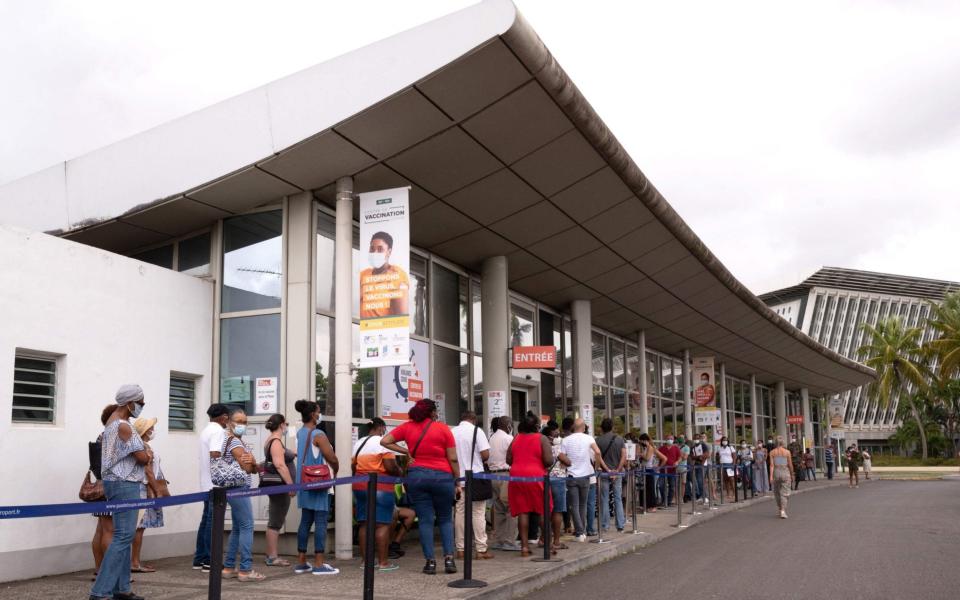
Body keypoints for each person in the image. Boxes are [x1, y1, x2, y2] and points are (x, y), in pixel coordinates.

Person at [381, 399, 460, 575]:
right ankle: (448, 559)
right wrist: (457, 480)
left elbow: (385, 441)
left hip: (417, 477)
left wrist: (406, 451)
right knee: (446, 519)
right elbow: (453, 458)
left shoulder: (407, 427)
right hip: (442, 477)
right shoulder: (443, 429)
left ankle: (430, 562)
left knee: (425, 520)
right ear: (432, 412)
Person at [90, 384, 151, 600]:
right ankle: (100, 591)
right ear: (130, 403)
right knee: (124, 536)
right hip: (125, 483)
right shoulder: (124, 426)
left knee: (122, 536)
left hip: (114, 482)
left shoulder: (110, 422)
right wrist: (147, 453)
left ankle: (122, 588)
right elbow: (143, 457)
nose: (141, 406)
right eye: (140, 403)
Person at [293, 399, 340, 575]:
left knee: (305, 521)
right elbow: (332, 457)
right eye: (318, 412)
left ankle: (302, 562)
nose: (320, 415)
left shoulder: (300, 433)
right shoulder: (318, 434)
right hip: (319, 483)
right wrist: (336, 470)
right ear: (313, 414)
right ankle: (319, 564)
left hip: (304, 482)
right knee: (321, 521)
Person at [220, 408, 266, 582]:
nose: (242, 425)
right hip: (238, 488)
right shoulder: (235, 443)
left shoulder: (233, 441)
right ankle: (245, 569)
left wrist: (253, 463)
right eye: (238, 421)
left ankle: (229, 567)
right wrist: (252, 463)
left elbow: (254, 468)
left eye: (245, 422)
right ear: (229, 422)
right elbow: (249, 468)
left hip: (234, 488)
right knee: (247, 526)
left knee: (238, 528)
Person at [352, 417, 402, 572]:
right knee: (382, 524)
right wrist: (400, 471)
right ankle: (383, 562)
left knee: (365, 523)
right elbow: (390, 466)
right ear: (381, 428)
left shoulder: (359, 443)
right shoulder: (383, 442)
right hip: (380, 486)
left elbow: (353, 466)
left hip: (360, 486)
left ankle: (366, 562)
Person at [507, 413, 554, 556]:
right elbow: (548, 460)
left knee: (523, 511)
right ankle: (547, 544)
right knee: (542, 510)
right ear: (537, 426)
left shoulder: (516, 438)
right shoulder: (542, 438)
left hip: (517, 477)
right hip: (536, 476)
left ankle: (525, 547)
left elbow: (508, 459)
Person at [450, 411, 493, 560]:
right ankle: (481, 549)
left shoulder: (452, 432)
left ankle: (460, 549)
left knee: (460, 513)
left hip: (458, 477)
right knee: (478, 513)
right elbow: (485, 455)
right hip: (475, 477)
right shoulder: (477, 431)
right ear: (473, 420)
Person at [194, 403, 229, 572]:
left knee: (206, 520)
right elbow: (215, 454)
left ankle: (199, 558)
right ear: (223, 417)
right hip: (215, 484)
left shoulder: (206, 430)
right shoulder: (218, 431)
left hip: (206, 481)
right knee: (212, 522)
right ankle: (209, 559)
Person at [562, 419, 606, 541]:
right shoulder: (589, 438)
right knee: (583, 504)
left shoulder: (565, 440)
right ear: (583, 427)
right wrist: (596, 467)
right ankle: (582, 531)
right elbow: (597, 452)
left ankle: (579, 532)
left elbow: (562, 457)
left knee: (574, 505)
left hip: (571, 476)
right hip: (586, 476)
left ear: (573, 427)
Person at [132, 417, 166, 574]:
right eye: (151, 428)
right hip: (143, 490)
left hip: (143, 488)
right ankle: (135, 562)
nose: (153, 430)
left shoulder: (143, 446)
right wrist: (157, 490)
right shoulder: (143, 448)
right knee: (139, 528)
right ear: (145, 431)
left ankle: (135, 561)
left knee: (138, 528)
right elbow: (148, 471)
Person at [261, 413, 296, 568]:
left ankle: (271, 554)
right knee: (275, 521)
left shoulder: (273, 441)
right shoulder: (275, 441)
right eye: (286, 423)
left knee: (275, 519)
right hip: (280, 486)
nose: (287, 426)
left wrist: (291, 453)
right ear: (281, 424)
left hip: (278, 486)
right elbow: (280, 465)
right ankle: (272, 556)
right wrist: (291, 485)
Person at [91, 404, 116, 582]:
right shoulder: (111, 435)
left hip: (100, 485)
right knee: (109, 530)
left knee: (100, 529)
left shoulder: (101, 436)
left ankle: (99, 569)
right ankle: (108, 573)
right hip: (111, 486)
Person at [486, 415, 519, 551]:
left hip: (492, 475)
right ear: (508, 425)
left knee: (498, 508)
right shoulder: (508, 438)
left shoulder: (491, 438)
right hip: (506, 475)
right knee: (512, 508)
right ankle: (509, 540)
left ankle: (499, 539)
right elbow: (515, 456)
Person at [359, 230, 409, 318]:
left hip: (383, 329)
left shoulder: (397, 276)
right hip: (361, 328)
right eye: (372, 249)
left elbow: (401, 317)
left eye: (380, 249)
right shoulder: (363, 274)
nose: (375, 253)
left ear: (389, 252)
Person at [595, 418, 627, 531]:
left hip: (604, 473)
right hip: (617, 472)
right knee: (618, 498)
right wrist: (617, 469)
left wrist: (607, 469)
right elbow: (624, 456)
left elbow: (598, 457)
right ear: (612, 427)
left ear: (601, 427)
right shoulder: (619, 439)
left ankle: (605, 525)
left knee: (604, 498)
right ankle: (620, 524)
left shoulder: (598, 440)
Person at [543, 421, 571, 552]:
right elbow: (567, 461)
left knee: (545, 511)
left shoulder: (540, 448)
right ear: (549, 437)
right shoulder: (556, 448)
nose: (556, 437)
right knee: (558, 511)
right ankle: (556, 541)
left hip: (544, 480)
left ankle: (543, 538)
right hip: (558, 480)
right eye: (554, 435)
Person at [638, 433, 666, 512]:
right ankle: (646, 505)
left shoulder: (650, 447)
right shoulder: (645, 448)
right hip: (644, 469)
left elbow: (647, 458)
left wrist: (640, 455)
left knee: (650, 489)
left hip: (649, 469)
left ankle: (653, 506)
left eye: (642, 441)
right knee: (645, 488)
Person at [768, 436, 794, 519]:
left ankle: (780, 508)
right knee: (785, 492)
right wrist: (792, 473)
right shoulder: (787, 452)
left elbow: (771, 465)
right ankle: (783, 510)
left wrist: (771, 476)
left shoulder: (772, 452)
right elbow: (790, 464)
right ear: (783, 443)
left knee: (777, 492)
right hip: (785, 472)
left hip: (776, 472)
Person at [389, 483, 416, 559]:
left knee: (411, 514)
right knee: (393, 514)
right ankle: (387, 546)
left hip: (391, 505)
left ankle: (395, 544)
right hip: (381, 507)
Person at [658, 435, 680, 507]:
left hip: (672, 470)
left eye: (671, 439)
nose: (670, 440)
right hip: (662, 470)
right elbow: (658, 458)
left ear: (673, 440)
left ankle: (669, 501)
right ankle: (664, 500)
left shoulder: (676, 448)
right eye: (668, 439)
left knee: (672, 486)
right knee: (661, 485)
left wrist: (677, 462)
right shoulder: (661, 448)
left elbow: (680, 457)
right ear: (665, 439)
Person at [689, 433, 709, 503]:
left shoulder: (703, 445)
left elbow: (706, 454)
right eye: (694, 439)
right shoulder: (693, 447)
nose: (696, 440)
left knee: (701, 480)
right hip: (696, 465)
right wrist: (699, 457)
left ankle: (705, 496)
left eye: (697, 438)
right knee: (698, 481)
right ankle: (701, 496)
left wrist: (701, 458)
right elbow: (691, 456)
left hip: (703, 465)